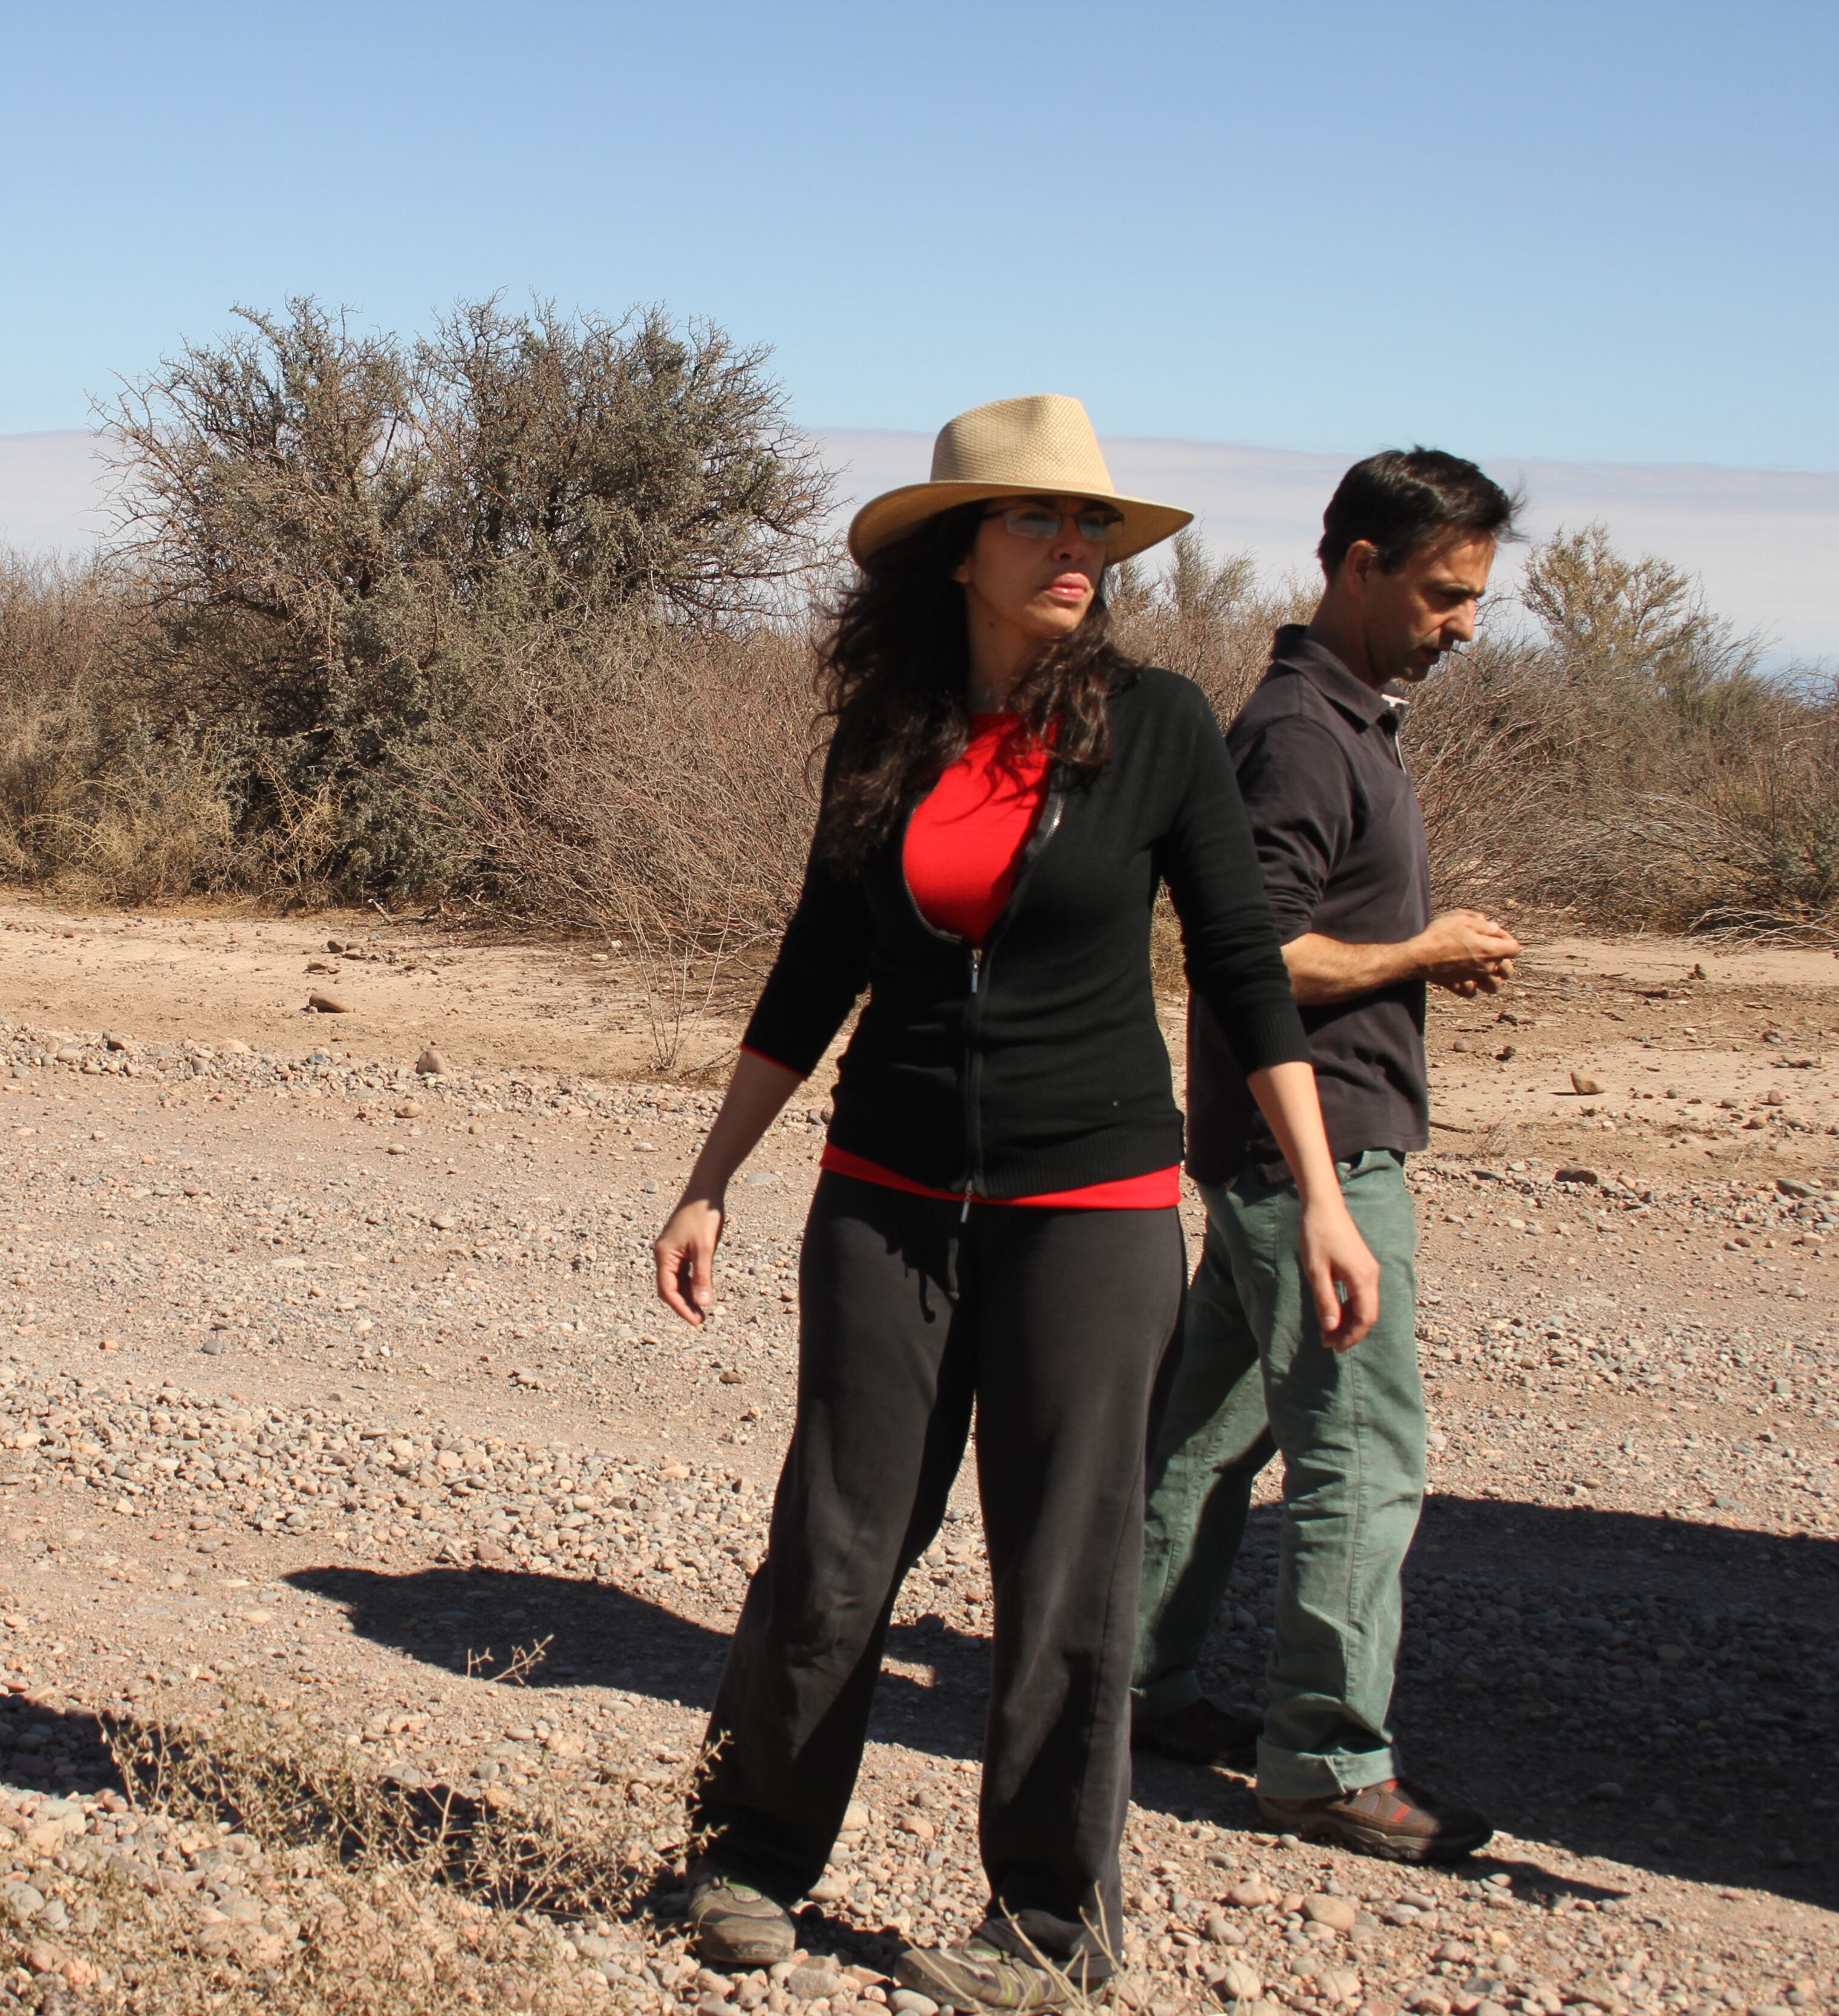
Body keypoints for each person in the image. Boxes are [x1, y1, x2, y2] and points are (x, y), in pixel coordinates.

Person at [651, 395, 1381, 2009]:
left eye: (1094, 528)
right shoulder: (892, 733)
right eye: (1041, 521)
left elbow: (1248, 976)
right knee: (834, 1543)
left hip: (1093, 1206)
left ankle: (1052, 1921)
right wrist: (711, 1176)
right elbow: (816, 967)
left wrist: (1321, 1197)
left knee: (1065, 1566)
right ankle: (750, 1852)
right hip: (885, 1191)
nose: (1077, 549)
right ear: (961, 550)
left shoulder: (1164, 724)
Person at [1133, 449, 1522, 1862]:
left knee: (1204, 1435)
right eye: (1441, 593)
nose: (1463, 624)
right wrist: (1422, 948)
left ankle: (1126, 1684)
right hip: (1316, 1161)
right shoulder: (1301, 731)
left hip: (1270, 1152)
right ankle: (1324, 1760)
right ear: (1355, 563)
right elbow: (1259, 956)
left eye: (1473, 596)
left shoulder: (1350, 717)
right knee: (1362, 1455)